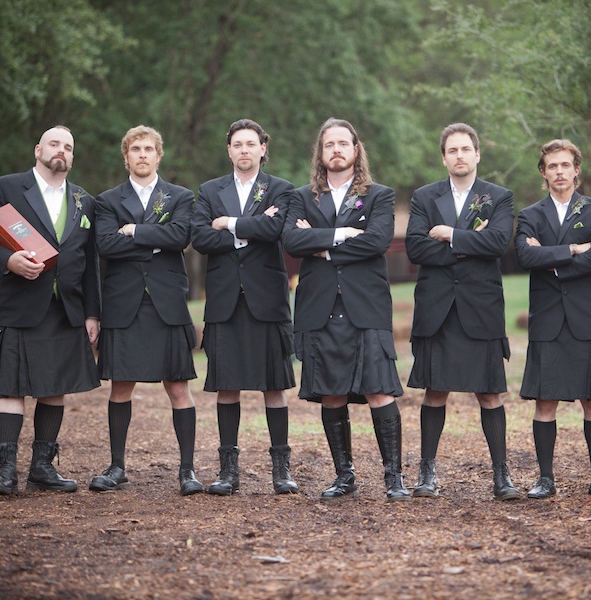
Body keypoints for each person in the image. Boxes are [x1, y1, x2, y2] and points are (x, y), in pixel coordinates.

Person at [282, 117, 409, 501]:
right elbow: (290, 239)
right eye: (329, 144)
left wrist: (318, 245)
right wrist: (340, 235)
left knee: (379, 390)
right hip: (319, 307)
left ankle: (394, 478)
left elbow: (376, 241)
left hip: (365, 306)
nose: (336, 149)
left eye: (343, 143)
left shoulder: (379, 196)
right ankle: (344, 476)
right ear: (320, 154)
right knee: (331, 393)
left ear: (355, 150)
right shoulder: (301, 197)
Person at [0, 125, 100, 495]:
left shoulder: (83, 200)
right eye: (54, 144)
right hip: (22, 304)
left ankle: (42, 468)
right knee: (11, 387)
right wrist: (9, 259)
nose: (61, 150)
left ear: (73, 157)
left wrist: (93, 312)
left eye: (68, 147)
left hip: (67, 308)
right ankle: (5, 471)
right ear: (38, 150)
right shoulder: (7, 188)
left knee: (54, 387)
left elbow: (90, 261)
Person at [405, 123, 520, 501]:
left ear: (477, 154)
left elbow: (500, 242)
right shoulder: (424, 197)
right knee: (435, 392)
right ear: (444, 157)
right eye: (452, 150)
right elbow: (417, 250)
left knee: (489, 394)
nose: (459, 156)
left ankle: (501, 477)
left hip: (480, 309)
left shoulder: (498, 197)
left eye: (465, 149)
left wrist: (449, 234)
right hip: (437, 309)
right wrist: (473, 240)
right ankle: (426, 474)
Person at [89, 125, 203, 496]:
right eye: (135, 149)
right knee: (121, 386)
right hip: (123, 306)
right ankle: (117, 466)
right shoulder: (106, 200)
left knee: (178, 387)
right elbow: (105, 245)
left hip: (167, 305)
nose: (141, 154)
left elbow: (180, 238)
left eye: (148, 149)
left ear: (158, 155)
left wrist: (132, 232)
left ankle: (187, 471)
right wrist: (152, 240)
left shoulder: (180, 197)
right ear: (126, 156)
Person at [191, 119, 297, 495]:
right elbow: (201, 236)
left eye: (251, 144)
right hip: (224, 301)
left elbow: (276, 231)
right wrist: (249, 228)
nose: (244, 150)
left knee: (275, 385)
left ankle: (281, 471)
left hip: (266, 300)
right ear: (229, 150)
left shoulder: (281, 190)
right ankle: (227, 472)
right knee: (227, 387)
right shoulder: (208, 190)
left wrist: (230, 224)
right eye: (237, 144)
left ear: (263, 148)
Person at [514, 139, 591, 499]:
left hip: (586, 319)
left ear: (577, 170)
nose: (559, 172)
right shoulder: (530, 215)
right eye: (552, 166)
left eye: (565, 165)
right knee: (545, 402)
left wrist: (551, 261)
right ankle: (545, 479)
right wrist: (574, 249)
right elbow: (525, 259)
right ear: (543, 172)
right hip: (547, 320)